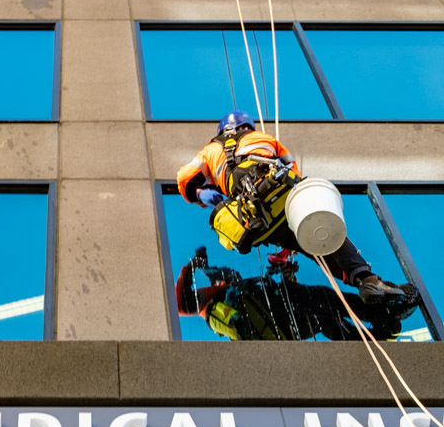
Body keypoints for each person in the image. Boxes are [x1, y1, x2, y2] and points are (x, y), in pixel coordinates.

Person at [176, 110, 419, 304]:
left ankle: (365, 285)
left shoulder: (211, 150)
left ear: (224, 130)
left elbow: (185, 178)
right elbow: (295, 177)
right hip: (280, 197)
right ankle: (366, 280)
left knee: (312, 242)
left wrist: (202, 194)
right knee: (323, 239)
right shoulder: (266, 139)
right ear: (247, 127)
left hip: (252, 220)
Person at [176, 246, 419, 342]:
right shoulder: (212, 306)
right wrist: (191, 266)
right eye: (223, 277)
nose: (227, 277)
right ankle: (377, 338)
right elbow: (180, 304)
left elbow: (271, 295)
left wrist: (287, 274)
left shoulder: (239, 289)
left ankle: (386, 311)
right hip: (281, 325)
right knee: (324, 320)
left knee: (332, 300)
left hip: (292, 302)